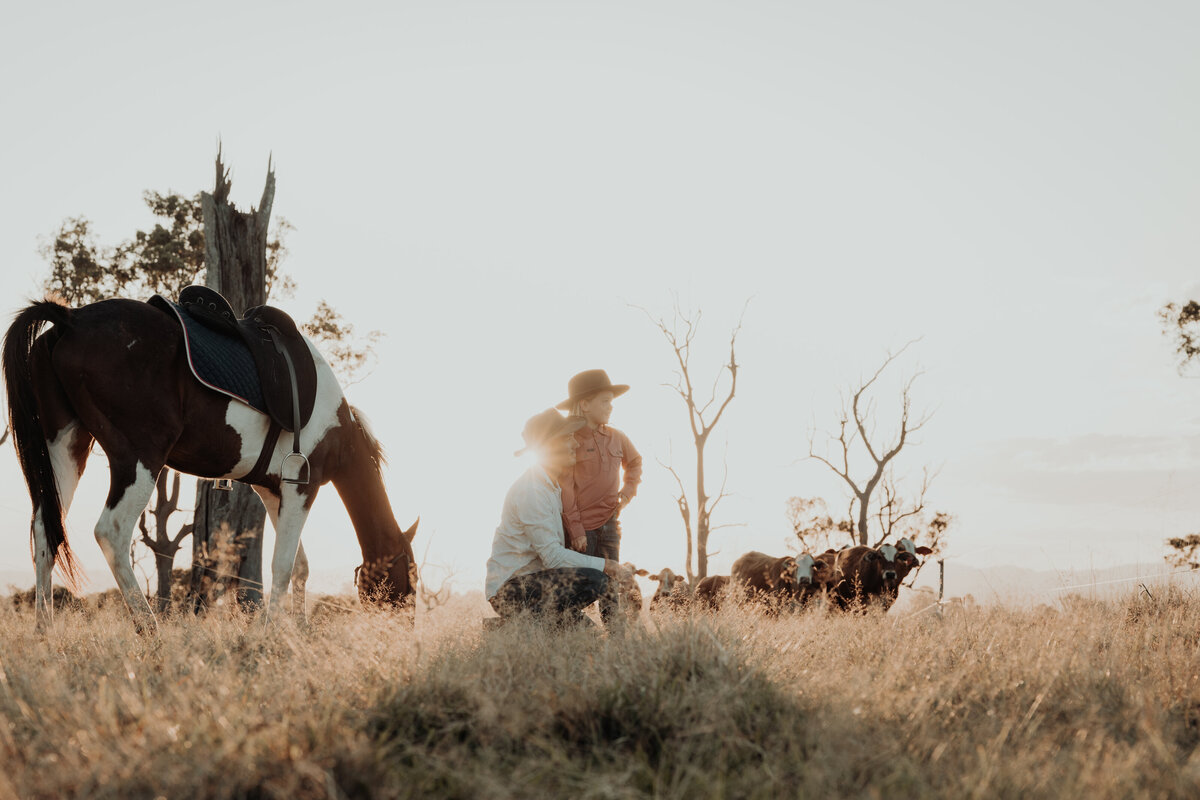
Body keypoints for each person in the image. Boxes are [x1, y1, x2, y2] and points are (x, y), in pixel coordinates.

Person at [485, 408, 634, 627]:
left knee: (588, 637)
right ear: (549, 446)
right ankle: (525, 624)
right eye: (567, 438)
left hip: (536, 583)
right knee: (597, 579)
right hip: (511, 590)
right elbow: (552, 557)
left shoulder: (551, 486)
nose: (575, 444)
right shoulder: (532, 490)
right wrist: (608, 565)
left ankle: (536, 626)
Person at [557, 369, 643, 624]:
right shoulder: (570, 441)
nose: (610, 407)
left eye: (611, 401)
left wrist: (627, 494)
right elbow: (566, 488)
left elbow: (636, 462)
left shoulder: (617, 437)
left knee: (610, 587)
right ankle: (571, 634)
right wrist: (576, 529)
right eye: (604, 401)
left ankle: (615, 641)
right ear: (584, 404)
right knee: (580, 585)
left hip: (610, 524)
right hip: (582, 530)